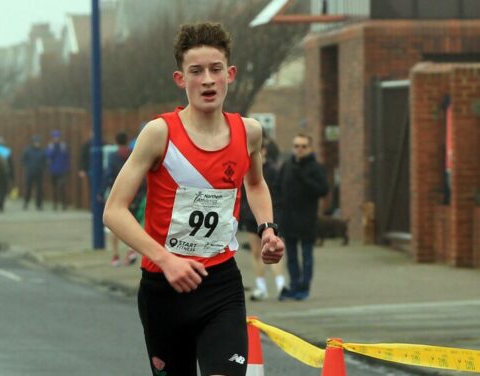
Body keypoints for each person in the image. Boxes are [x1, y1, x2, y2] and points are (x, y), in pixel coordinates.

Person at [102, 22, 284, 376]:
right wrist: (165, 259)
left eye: (216, 69)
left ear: (229, 74)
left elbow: (256, 183)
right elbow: (114, 211)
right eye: (196, 71)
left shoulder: (249, 132)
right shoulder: (159, 133)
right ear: (180, 79)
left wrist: (267, 229)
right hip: (163, 288)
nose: (207, 80)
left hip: (220, 284)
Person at [275, 133, 328, 301]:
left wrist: (304, 178)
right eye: (296, 146)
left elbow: (323, 190)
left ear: (310, 148)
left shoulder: (316, 168)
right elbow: (277, 188)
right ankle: (294, 285)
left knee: (306, 255)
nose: (299, 149)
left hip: (307, 220)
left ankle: (304, 288)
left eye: (303, 146)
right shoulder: (287, 166)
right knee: (290, 256)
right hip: (288, 220)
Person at [240, 140, 286, 301]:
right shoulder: (245, 168)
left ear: (265, 151)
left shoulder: (273, 171)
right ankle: (261, 288)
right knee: (256, 252)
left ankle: (281, 286)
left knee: (273, 250)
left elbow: (279, 193)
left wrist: (277, 215)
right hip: (250, 217)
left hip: (271, 217)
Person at [102, 132, 134, 266]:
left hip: (116, 192)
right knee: (132, 223)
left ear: (116, 141)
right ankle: (131, 250)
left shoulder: (112, 156)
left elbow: (108, 173)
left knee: (113, 225)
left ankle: (115, 256)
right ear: (127, 140)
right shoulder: (133, 153)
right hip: (133, 191)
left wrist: (101, 190)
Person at [45, 130, 71, 210]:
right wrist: (51, 149)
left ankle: (64, 204)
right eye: (54, 137)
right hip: (53, 170)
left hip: (62, 170)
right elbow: (48, 156)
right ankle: (55, 205)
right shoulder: (51, 146)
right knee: (54, 188)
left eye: (57, 137)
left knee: (61, 187)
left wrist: (67, 168)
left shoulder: (63, 146)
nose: (56, 139)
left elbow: (67, 157)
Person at [22, 135, 47, 210]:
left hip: (39, 172)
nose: (37, 144)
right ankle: (26, 203)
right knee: (28, 188)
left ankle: (39, 204)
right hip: (30, 172)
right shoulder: (28, 150)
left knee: (39, 189)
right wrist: (28, 166)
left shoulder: (42, 151)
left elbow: (45, 161)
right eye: (36, 142)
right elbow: (23, 160)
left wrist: (43, 168)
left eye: (38, 142)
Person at [0, 136, 14, 212]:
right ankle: (1, 205)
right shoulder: (7, 151)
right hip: (4, 173)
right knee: (3, 190)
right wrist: (12, 176)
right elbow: (11, 164)